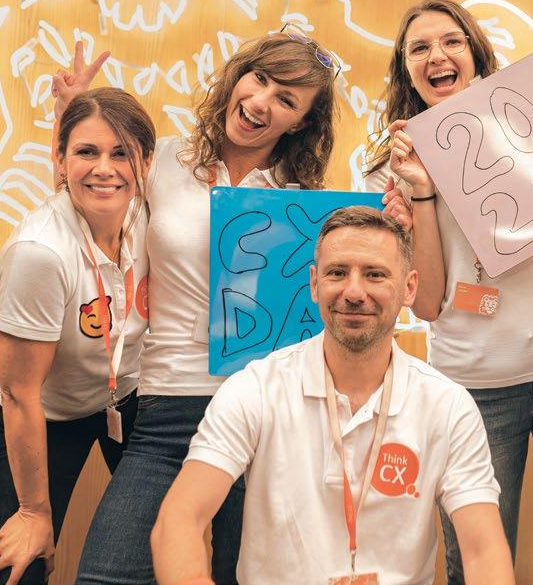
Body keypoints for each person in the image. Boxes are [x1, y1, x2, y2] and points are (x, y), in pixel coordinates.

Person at [49, 32, 339, 585]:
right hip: (166, 405)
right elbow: (82, 214)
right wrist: (69, 120)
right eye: (259, 79)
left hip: (265, 411)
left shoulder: (304, 198)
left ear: (301, 123)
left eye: (286, 99)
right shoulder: (163, 160)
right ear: (238, 76)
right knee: (107, 575)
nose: (261, 101)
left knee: (243, 576)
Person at [367, 0, 533, 585]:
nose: (437, 56)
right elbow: (428, 304)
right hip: (475, 389)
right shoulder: (393, 169)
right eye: (419, 48)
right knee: (475, 569)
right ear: (405, 69)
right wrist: (422, 194)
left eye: (452, 41)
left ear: (475, 52)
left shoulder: (527, 117)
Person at [151, 207, 515, 585]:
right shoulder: (256, 389)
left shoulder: (447, 405)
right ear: (314, 283)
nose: (354, 292)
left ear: (409, 288)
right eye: (337, 273)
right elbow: (179, 518)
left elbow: (483, 550)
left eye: (375, 274)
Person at [0, 88, 156, 585]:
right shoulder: (38, 254)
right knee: (17, 566)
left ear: (145, 163)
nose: (105, 168)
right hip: (45, 414)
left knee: (159, 545)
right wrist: (35, 513)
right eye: (86, 151)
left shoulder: (147, 214)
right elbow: (19, 392)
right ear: (59, 160)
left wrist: (75, 110)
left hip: (126, 399)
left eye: (120, 153)